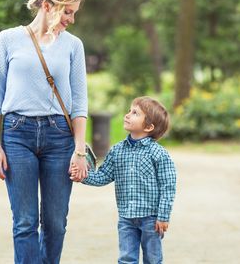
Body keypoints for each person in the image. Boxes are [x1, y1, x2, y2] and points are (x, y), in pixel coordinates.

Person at [0, 0, 89, 264]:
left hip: (59, 137)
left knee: (56, 223)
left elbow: (79, 104)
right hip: (17, 135)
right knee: (25, 222)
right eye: (67, 11)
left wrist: (79, 151)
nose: (71, 19)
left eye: (74, 13)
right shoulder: (7, 40)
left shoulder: (73, 46)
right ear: (47, 5)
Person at [72, 96, 177, 264]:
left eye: (135, 113)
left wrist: (163, 216)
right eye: (129, 111)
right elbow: (103, 176)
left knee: (153, 259)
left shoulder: (159, 154)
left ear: (149, 126)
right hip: (126, 217)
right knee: (126, 258)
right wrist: (82, 175)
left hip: (151, 218)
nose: (127, 115)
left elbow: (168, 186)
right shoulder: (117, 151)